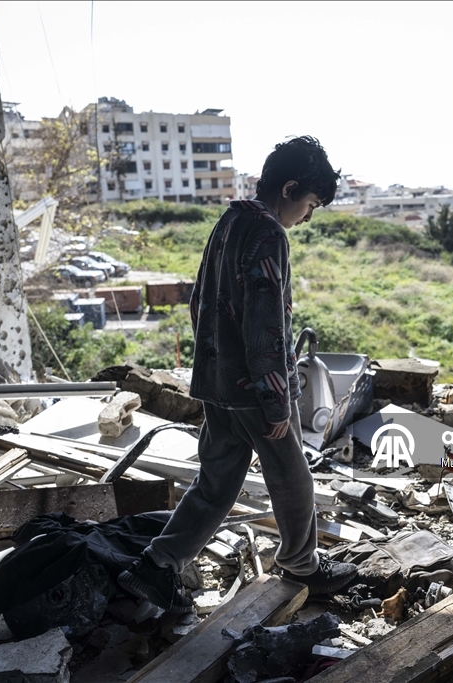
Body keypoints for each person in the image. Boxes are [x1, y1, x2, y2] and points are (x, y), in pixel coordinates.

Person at [118, 137, 358, 612]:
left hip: (218, 381)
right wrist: (275, 400)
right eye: (310, 204)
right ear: (289, 189)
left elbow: (199, 300)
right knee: (293, 478)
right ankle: (301, 564)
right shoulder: (269, 233)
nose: (307, 217)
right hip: (255, 387)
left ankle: (156, 564)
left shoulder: (230, 220)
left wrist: (211, 366)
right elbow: (265, 326)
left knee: (217, 482)